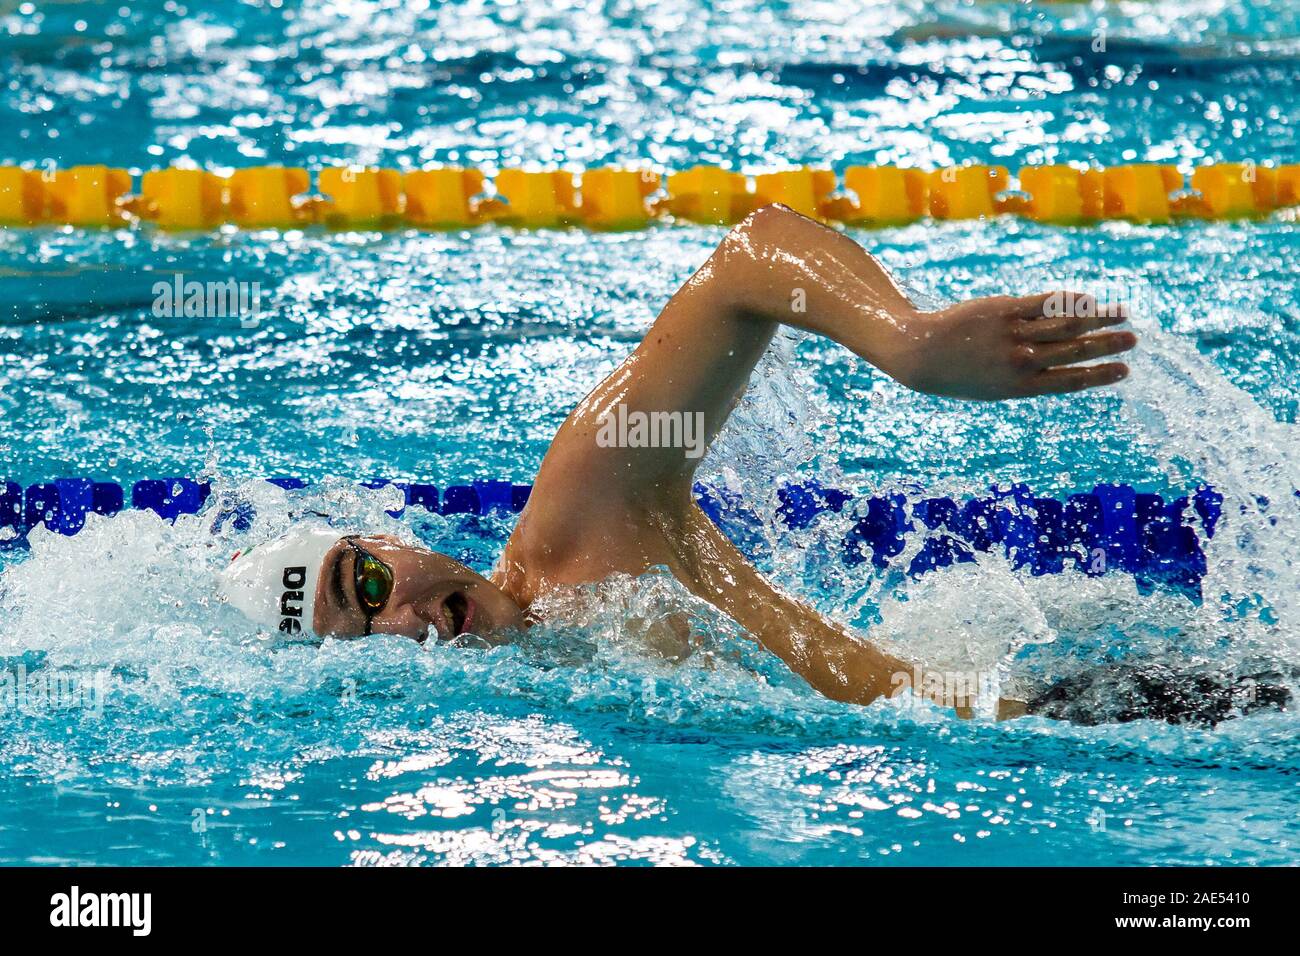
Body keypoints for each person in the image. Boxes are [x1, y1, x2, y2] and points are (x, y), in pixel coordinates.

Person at [220, 202, 1137, 717]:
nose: (401, 626)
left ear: (387, 537)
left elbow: (749, 258)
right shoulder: (530, 704)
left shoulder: (582, 524)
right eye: (361, 644)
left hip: (1077, 711)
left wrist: (905, 341)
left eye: (368, 585)